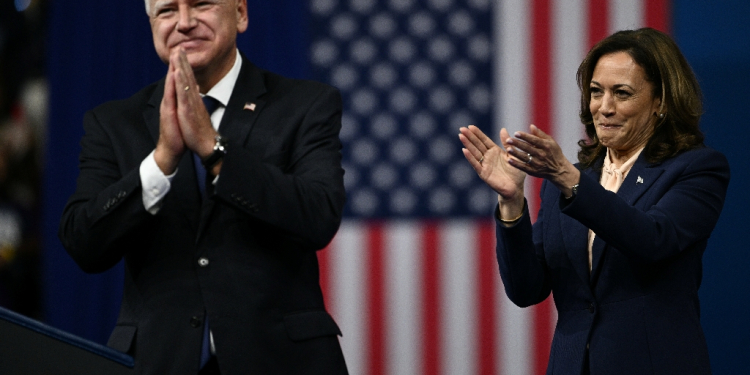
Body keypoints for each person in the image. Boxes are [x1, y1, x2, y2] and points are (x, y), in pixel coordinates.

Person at [58, 0, 347, 374]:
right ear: (151, 25)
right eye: (166, 11)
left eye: (201, 4)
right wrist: (161, 162)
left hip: (280, 360)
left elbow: (319, 215)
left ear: (240, 13)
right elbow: (82, 242)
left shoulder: (306, 104)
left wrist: (214, 150)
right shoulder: (113, 123)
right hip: (160, 360)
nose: (184, 22)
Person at [459, 28, 729, 374]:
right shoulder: (568, 180)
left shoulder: (696, 169)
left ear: (660, 101)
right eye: (596, 92)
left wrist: (568, 179)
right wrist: (512, 203)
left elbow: (652, 239)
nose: (605, 107)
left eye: (622, 93)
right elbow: (527, 288)